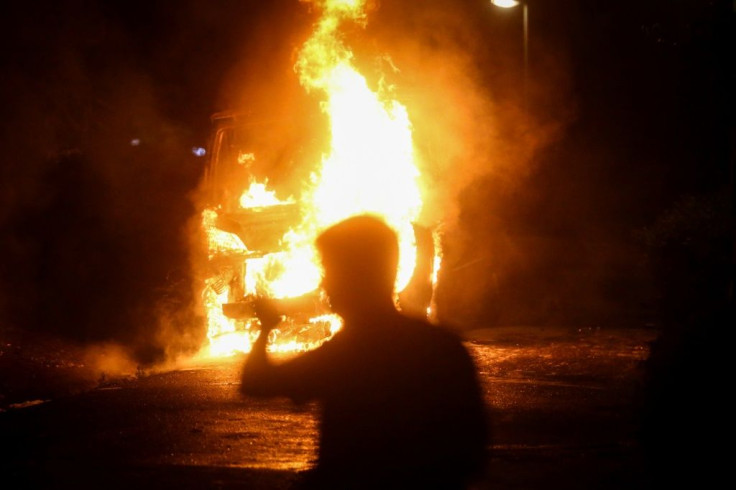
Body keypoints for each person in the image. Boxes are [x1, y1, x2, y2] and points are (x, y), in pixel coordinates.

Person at [241, 215, 489, 489]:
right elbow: (473, 453)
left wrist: (266, 328)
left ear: (355, 276)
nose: (325, 285)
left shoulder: (347, 355)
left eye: (330, 270)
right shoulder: (443, 345)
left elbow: (256, 382)